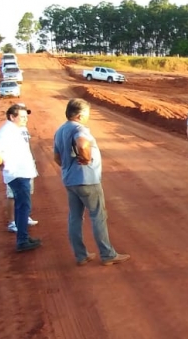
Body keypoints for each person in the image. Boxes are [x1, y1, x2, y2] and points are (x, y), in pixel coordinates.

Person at [53, 98, 131, 266]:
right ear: (80, 115)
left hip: (70, 180)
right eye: (87, 114)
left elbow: (56, 157)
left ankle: (81, 255)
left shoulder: (60, 130)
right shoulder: (80, 128)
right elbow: (82, 143)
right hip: (87, 180)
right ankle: (107, 254)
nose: (88, 117)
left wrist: (69, 166)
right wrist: (86, 158)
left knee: (75, 217)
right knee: (98, 216)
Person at [0, 103, 41, 252]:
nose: (26, 119)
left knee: (22, 207)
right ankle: (22, 241)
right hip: (17, 175)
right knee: (23, 207)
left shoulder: (16, 129)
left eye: (26, 116)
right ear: (12, 117)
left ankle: (23, 236)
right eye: (22, 116)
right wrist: (3, 166)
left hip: (22, 174)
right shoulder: (6, 131)